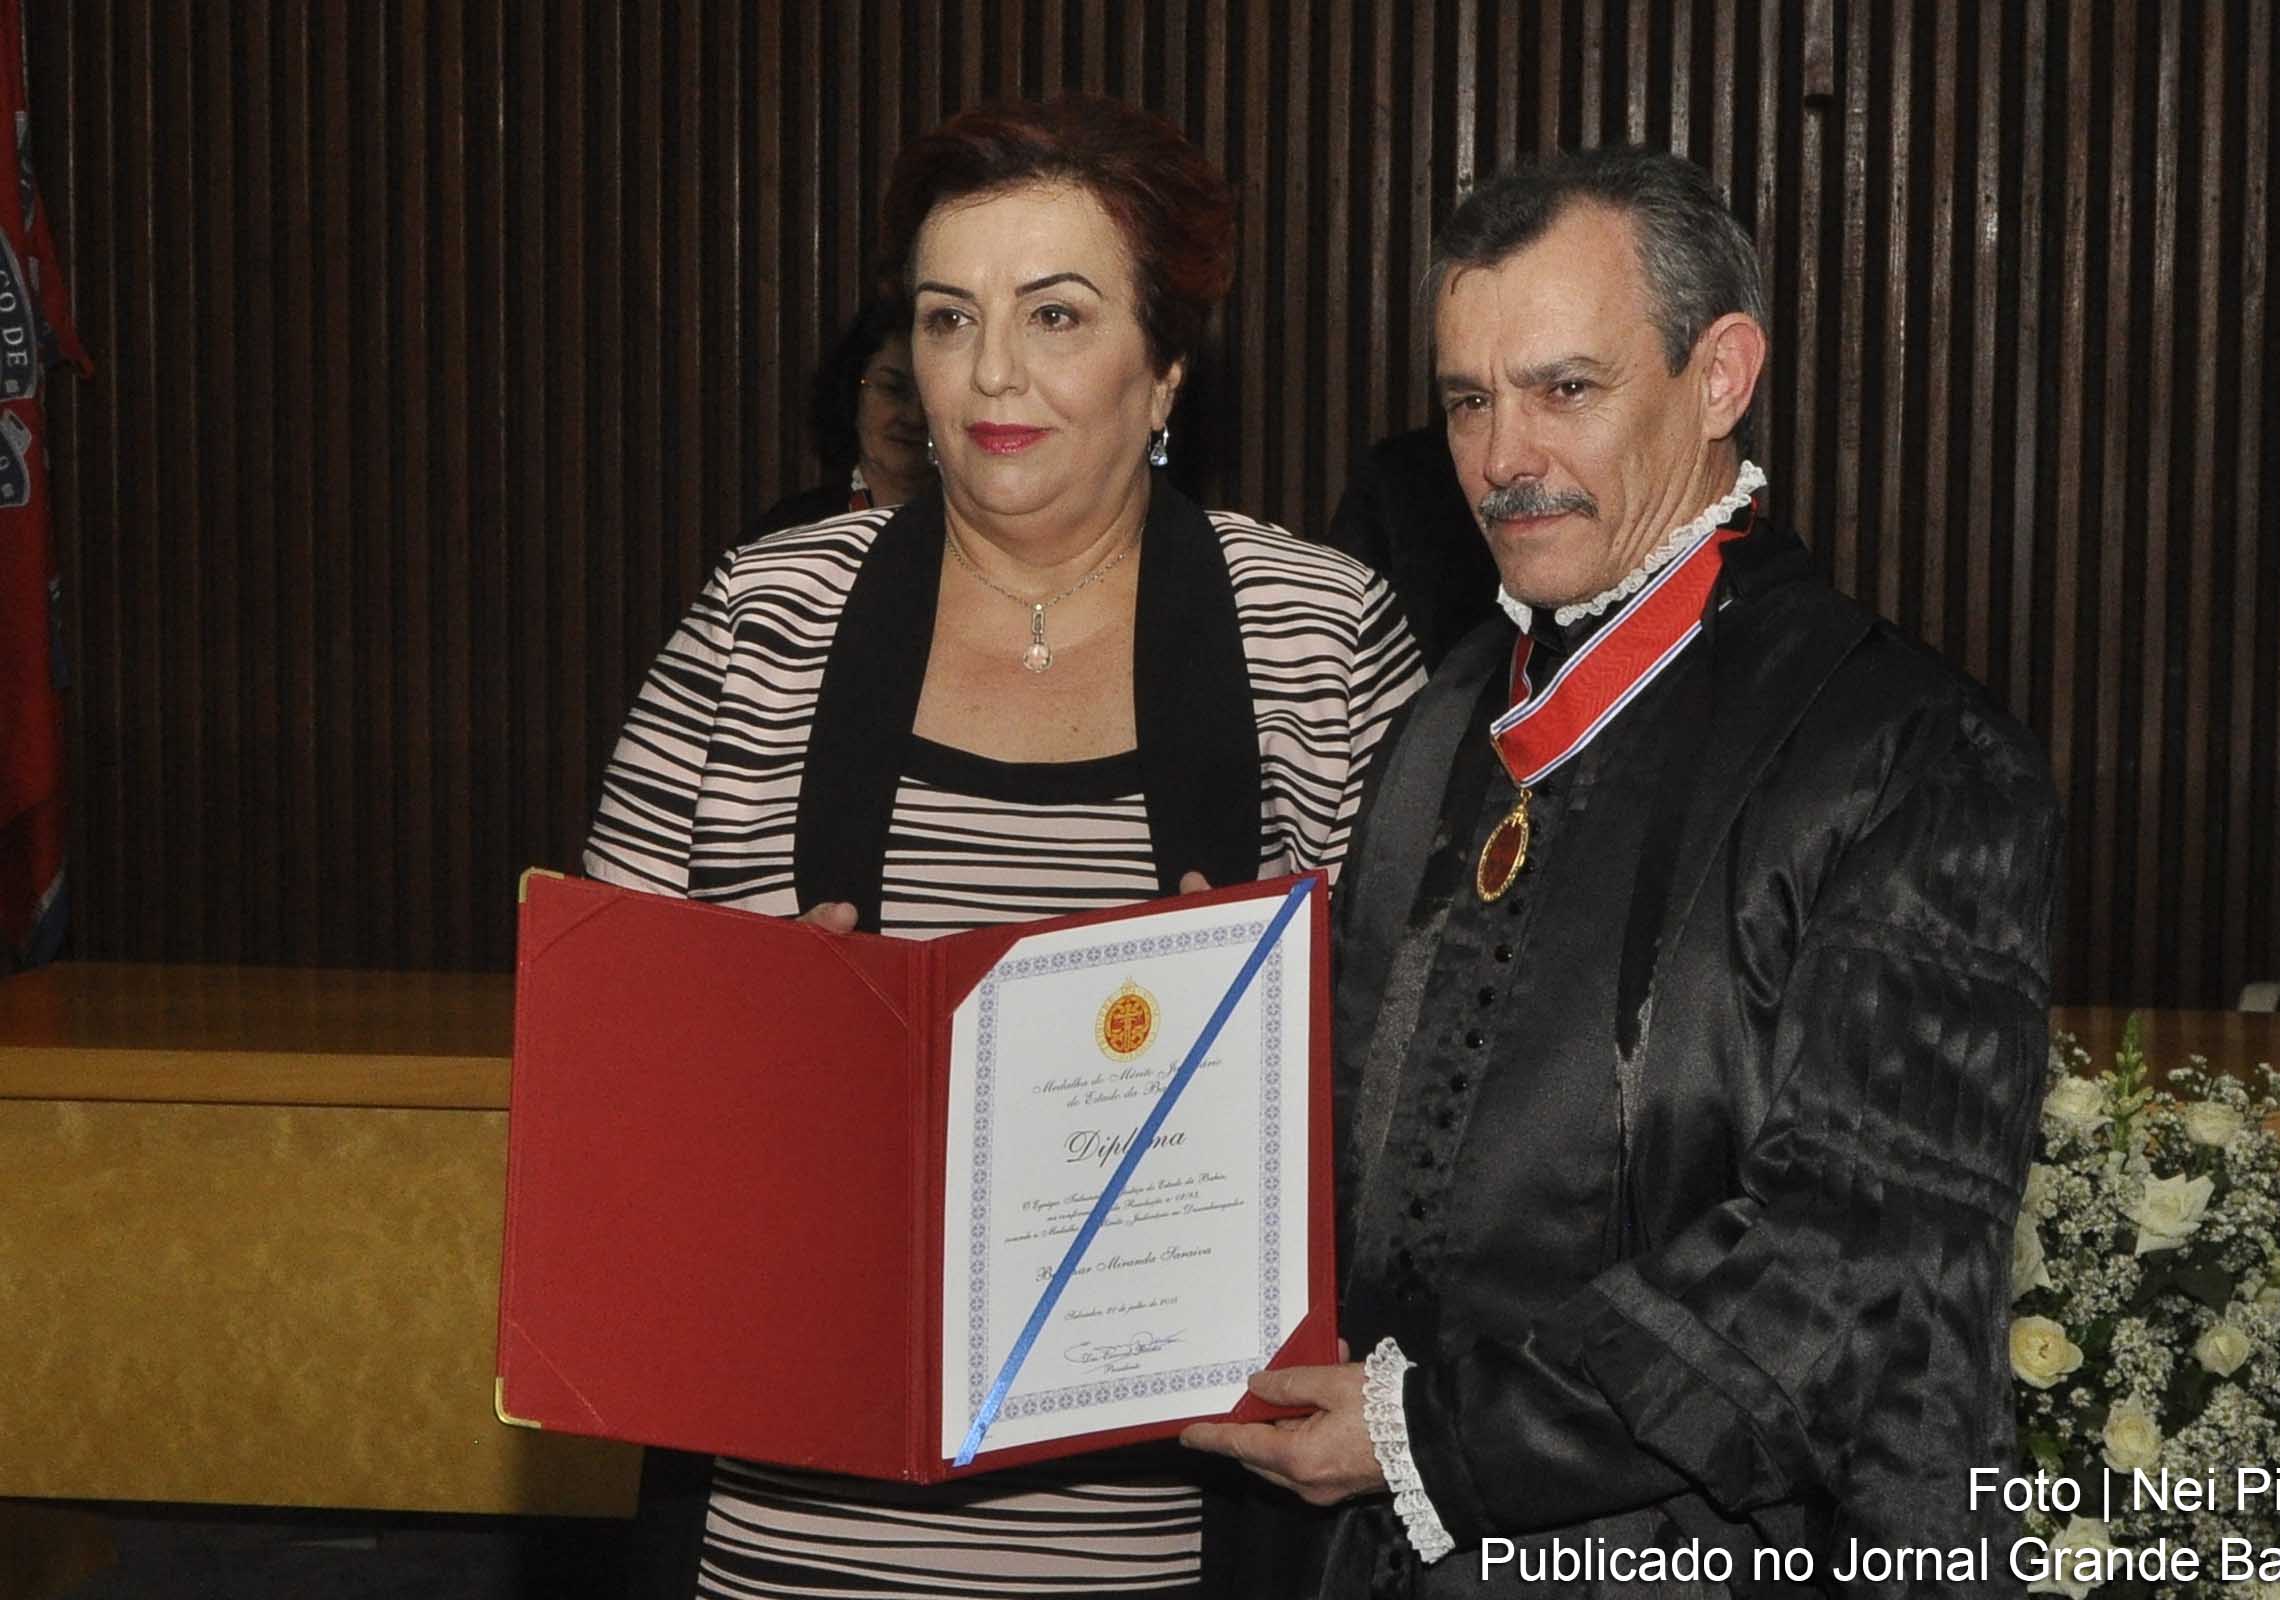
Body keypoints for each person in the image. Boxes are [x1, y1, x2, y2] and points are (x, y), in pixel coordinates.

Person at [1184, 145, 2062, 1598]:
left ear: (1718, 379)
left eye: (1565, 389)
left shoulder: (1909, 752)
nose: (1503, 456)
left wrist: (1422, 1435)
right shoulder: (1447, 715)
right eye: (1469, 400)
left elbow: (1852, 1276)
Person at [582, 93, 1425, 1599]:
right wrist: (751, 1052)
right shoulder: (762, 618)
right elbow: (598, 1074)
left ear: (1164, 370)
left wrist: (1257, 1059)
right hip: (788, 1528)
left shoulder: (1318, 638)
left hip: (1176, 1535)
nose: (990, 373)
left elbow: (1442, 1093)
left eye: (1055, 315)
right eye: (947, 317)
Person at [752, 296, 936, 534]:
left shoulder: (983, 537)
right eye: (893, 389)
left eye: (929, 396)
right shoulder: (786, 532)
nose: (914, 417)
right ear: (851, 391)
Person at [1320, 422, 1494, 667]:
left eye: (1568, 390)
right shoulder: (1396, 471)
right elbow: (1338, 625)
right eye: (1474, 403)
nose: (1501, 466)